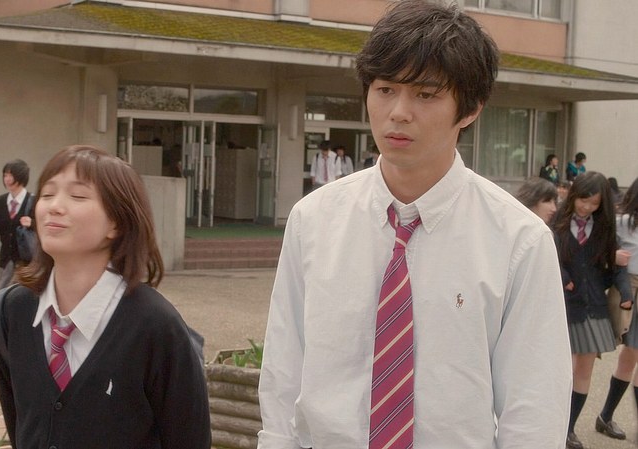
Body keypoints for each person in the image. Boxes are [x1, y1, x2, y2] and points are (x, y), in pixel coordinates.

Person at [257, 2, 571, 448]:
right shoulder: (314, 220)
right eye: (385, 89)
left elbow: (534, 405)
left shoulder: (519, 240)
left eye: (425, 94)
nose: (399, 112)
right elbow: (283, 369)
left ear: (470, 109)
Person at [0, 145, 210, 449]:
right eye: (48, 193)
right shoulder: (11, 311)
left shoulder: (157, 326)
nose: (54, 206)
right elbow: (21, 425)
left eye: (78, 196)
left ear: (116, 222)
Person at [552, 171, 634, 449]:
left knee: (583, 370)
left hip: (594, 307)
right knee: (559, 369)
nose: (587, 207)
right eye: (583, 200)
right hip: (563, 306)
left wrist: (626, 295)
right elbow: (548, 257)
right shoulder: (557, 224)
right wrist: (564, 277)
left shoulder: (604, 229)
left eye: (594, 203)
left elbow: (618, 267)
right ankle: (553, 426)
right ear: (574, 196)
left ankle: (569, 429)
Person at [0, 159, 34, 364]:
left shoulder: (34, 202)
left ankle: (22, 351)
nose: (7, 179)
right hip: (6, 262)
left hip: (28, 263)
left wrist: (33, 224)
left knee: (23, 305)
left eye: (10, 175)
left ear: (20, 177)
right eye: (5, 175)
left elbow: (47, 229)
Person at [597, 176, 638, 441]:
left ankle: (606, 416)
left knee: (633, 355)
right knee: (629, 355)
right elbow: (602, 251)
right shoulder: (622, 222)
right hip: (629, 288)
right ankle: (606, 415)